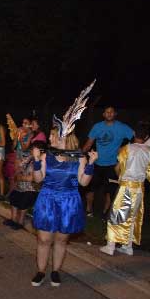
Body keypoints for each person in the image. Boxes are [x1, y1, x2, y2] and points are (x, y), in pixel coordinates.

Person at [31, 82, 97, 287]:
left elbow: (83, 182)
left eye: (52, 135)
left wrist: (91, 165)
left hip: (69, 201)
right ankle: (41, 271)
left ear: (63, 137)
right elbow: (37, 179)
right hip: (47, 199)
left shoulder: (78, 158)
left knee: (61, 240)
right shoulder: (45, 155)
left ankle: (56, 271)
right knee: (43, 239)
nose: (49, 137)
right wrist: (35, 160)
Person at [100, 124, 150, 256]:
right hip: (139, 188)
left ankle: (110, 246)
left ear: (134, 135)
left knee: (117, 215)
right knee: (132, 216)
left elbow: (117, 168)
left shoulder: (126, 149)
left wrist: (121, 176)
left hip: (126, 186)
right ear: (146, 136)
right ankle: (128, 246)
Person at [82, 106, 134, 218]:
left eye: (111, 112)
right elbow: (89, 143)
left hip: (113, 165)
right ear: (103, 114)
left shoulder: (122, 127)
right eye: (107, 112)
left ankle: (106, 213)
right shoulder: (97, 127)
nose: (109, 114)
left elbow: (136, 138)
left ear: (115, 114)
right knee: (90, 188)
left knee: (110, 191)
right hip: (96, 163)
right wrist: (80, 155)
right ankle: (88, 209)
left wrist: (125, 148)